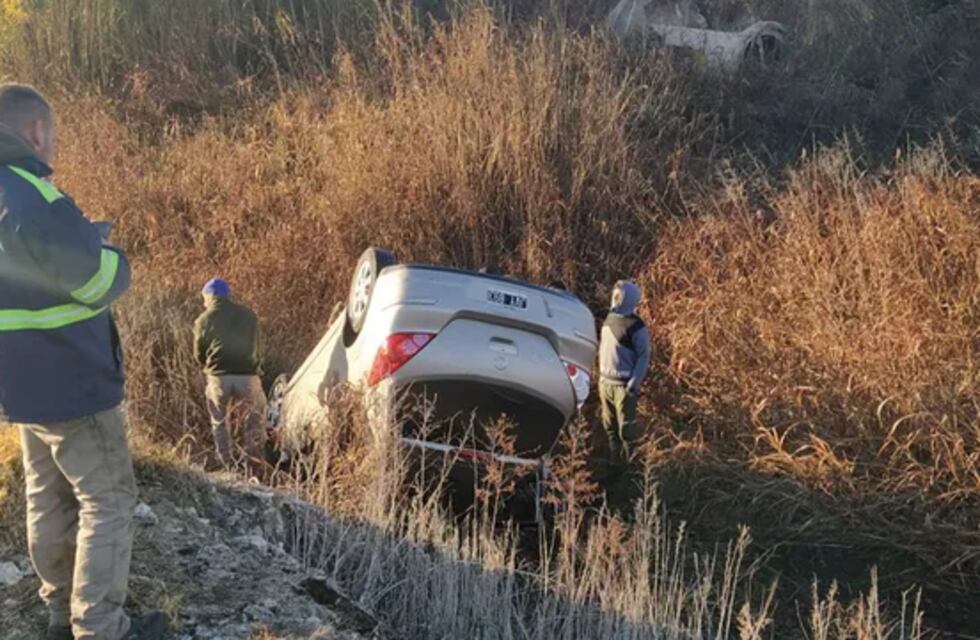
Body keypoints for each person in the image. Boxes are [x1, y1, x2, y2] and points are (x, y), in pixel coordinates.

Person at [0, 84, 165, 639]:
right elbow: (94, 280)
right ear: (37, 133)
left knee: (47, 495)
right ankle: (99, 627)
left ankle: (57, 614)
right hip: (71, 377)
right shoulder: (34, 196)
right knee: (107, 498)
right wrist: (110, 254)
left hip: (21, 382)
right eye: (54, 138)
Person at [193, 277, 268, 471]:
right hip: (247, 375)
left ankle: (226, 464)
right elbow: (258, 346)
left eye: (204, 297)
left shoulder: (204, 319)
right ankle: (254, 464)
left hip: (219, 376)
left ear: (211, 296)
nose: (204, 302)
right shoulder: (249, 315)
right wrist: (256, 367)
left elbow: (198, 352)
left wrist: (207, 368)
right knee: (254, 419)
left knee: (219, 421)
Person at [598, 280, 652, 491]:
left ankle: (631, 474)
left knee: (626, 430)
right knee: (610, 428)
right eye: (615, 294)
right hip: (605, 383)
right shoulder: (609, 318)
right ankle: (615, 466)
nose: (616, 298)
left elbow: (644, 355)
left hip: (623, 386)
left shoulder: (636, 326)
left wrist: (634, 381)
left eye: (620, 295)